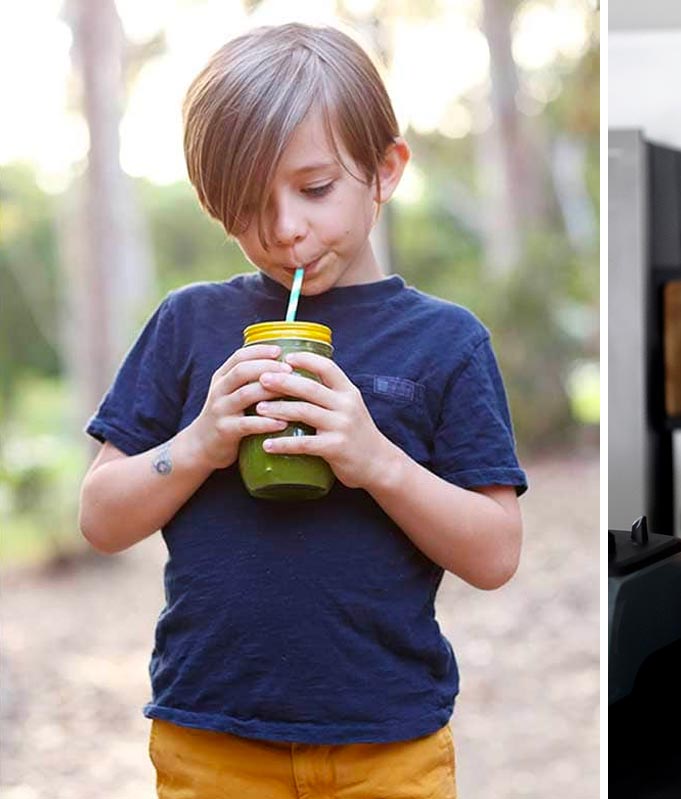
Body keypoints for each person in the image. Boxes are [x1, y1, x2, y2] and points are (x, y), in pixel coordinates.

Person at [78, 23, 526, 798]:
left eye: (314, 189)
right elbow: (101, 516)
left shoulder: (446, 342)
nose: (285, 228)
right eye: (249, 204)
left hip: (388, 741)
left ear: (385, 171)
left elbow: (494, 553)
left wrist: (375, 458)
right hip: (210, 735)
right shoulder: (188, 326)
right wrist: (200, 441)